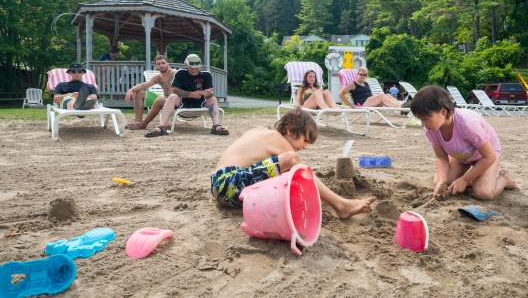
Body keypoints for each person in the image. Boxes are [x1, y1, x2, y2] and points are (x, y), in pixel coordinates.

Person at [211, 108, 376, 218]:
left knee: (286, 168)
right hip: (229, 182)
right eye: (305, 140)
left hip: (221, 185)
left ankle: (341, 204)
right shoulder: (276, 138)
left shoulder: (260, 132)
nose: (304, 146)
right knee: (293, 160)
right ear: (290, 130)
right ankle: (341, 205)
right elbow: (301, 169)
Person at [410, 85, 519, 200]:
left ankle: (504, 180)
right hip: (461, 155)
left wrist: (465, 180)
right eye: (420, 119)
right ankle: (474, 178)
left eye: (426, 118)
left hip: (485, 155)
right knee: (439, 182)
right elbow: (441, 157)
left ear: (443, 112)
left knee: (483, 193)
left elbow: (489, 156)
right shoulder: (430, 129)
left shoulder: (467, 123)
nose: (423, 124)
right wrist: (442, 180)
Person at [145, 53, 229, 137]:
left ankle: (216, 126)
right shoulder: (181, 73)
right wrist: (191, 94)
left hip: (200, 105)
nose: (194, 70)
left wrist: (208, 93)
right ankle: (161, 127)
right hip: (182, 105)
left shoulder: (206, 75)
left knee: (213, 98)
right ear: (187, 65)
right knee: (172, 96)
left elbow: (209, 93)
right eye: (191, 67)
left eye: (196, 67)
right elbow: (174, 89)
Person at [124, 55, 177, 130]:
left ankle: (143, 124)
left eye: (163, 63)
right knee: (139, 93)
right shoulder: (158, 77)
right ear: (156, 66)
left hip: (175, 101)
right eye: (158, 64)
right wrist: (131, 90)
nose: (161, 65)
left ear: (168, 63)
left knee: (160, 99)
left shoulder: (175, 74)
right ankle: (137, 122)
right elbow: (143, 85)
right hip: (165, 99)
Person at [339, 67, 405, 108]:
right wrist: (351, 105)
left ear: (366, 76)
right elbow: (341, 94)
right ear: (357, 74)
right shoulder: (353, 84)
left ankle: (402, 104)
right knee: (381, 96)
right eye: (361, 74)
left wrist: (377, 100)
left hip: (370, 102)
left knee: (387, 95)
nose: (362, 76)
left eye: (364, 75)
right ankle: (400, 107)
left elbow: (369, 95)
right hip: (362, 104)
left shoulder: (366, 84)